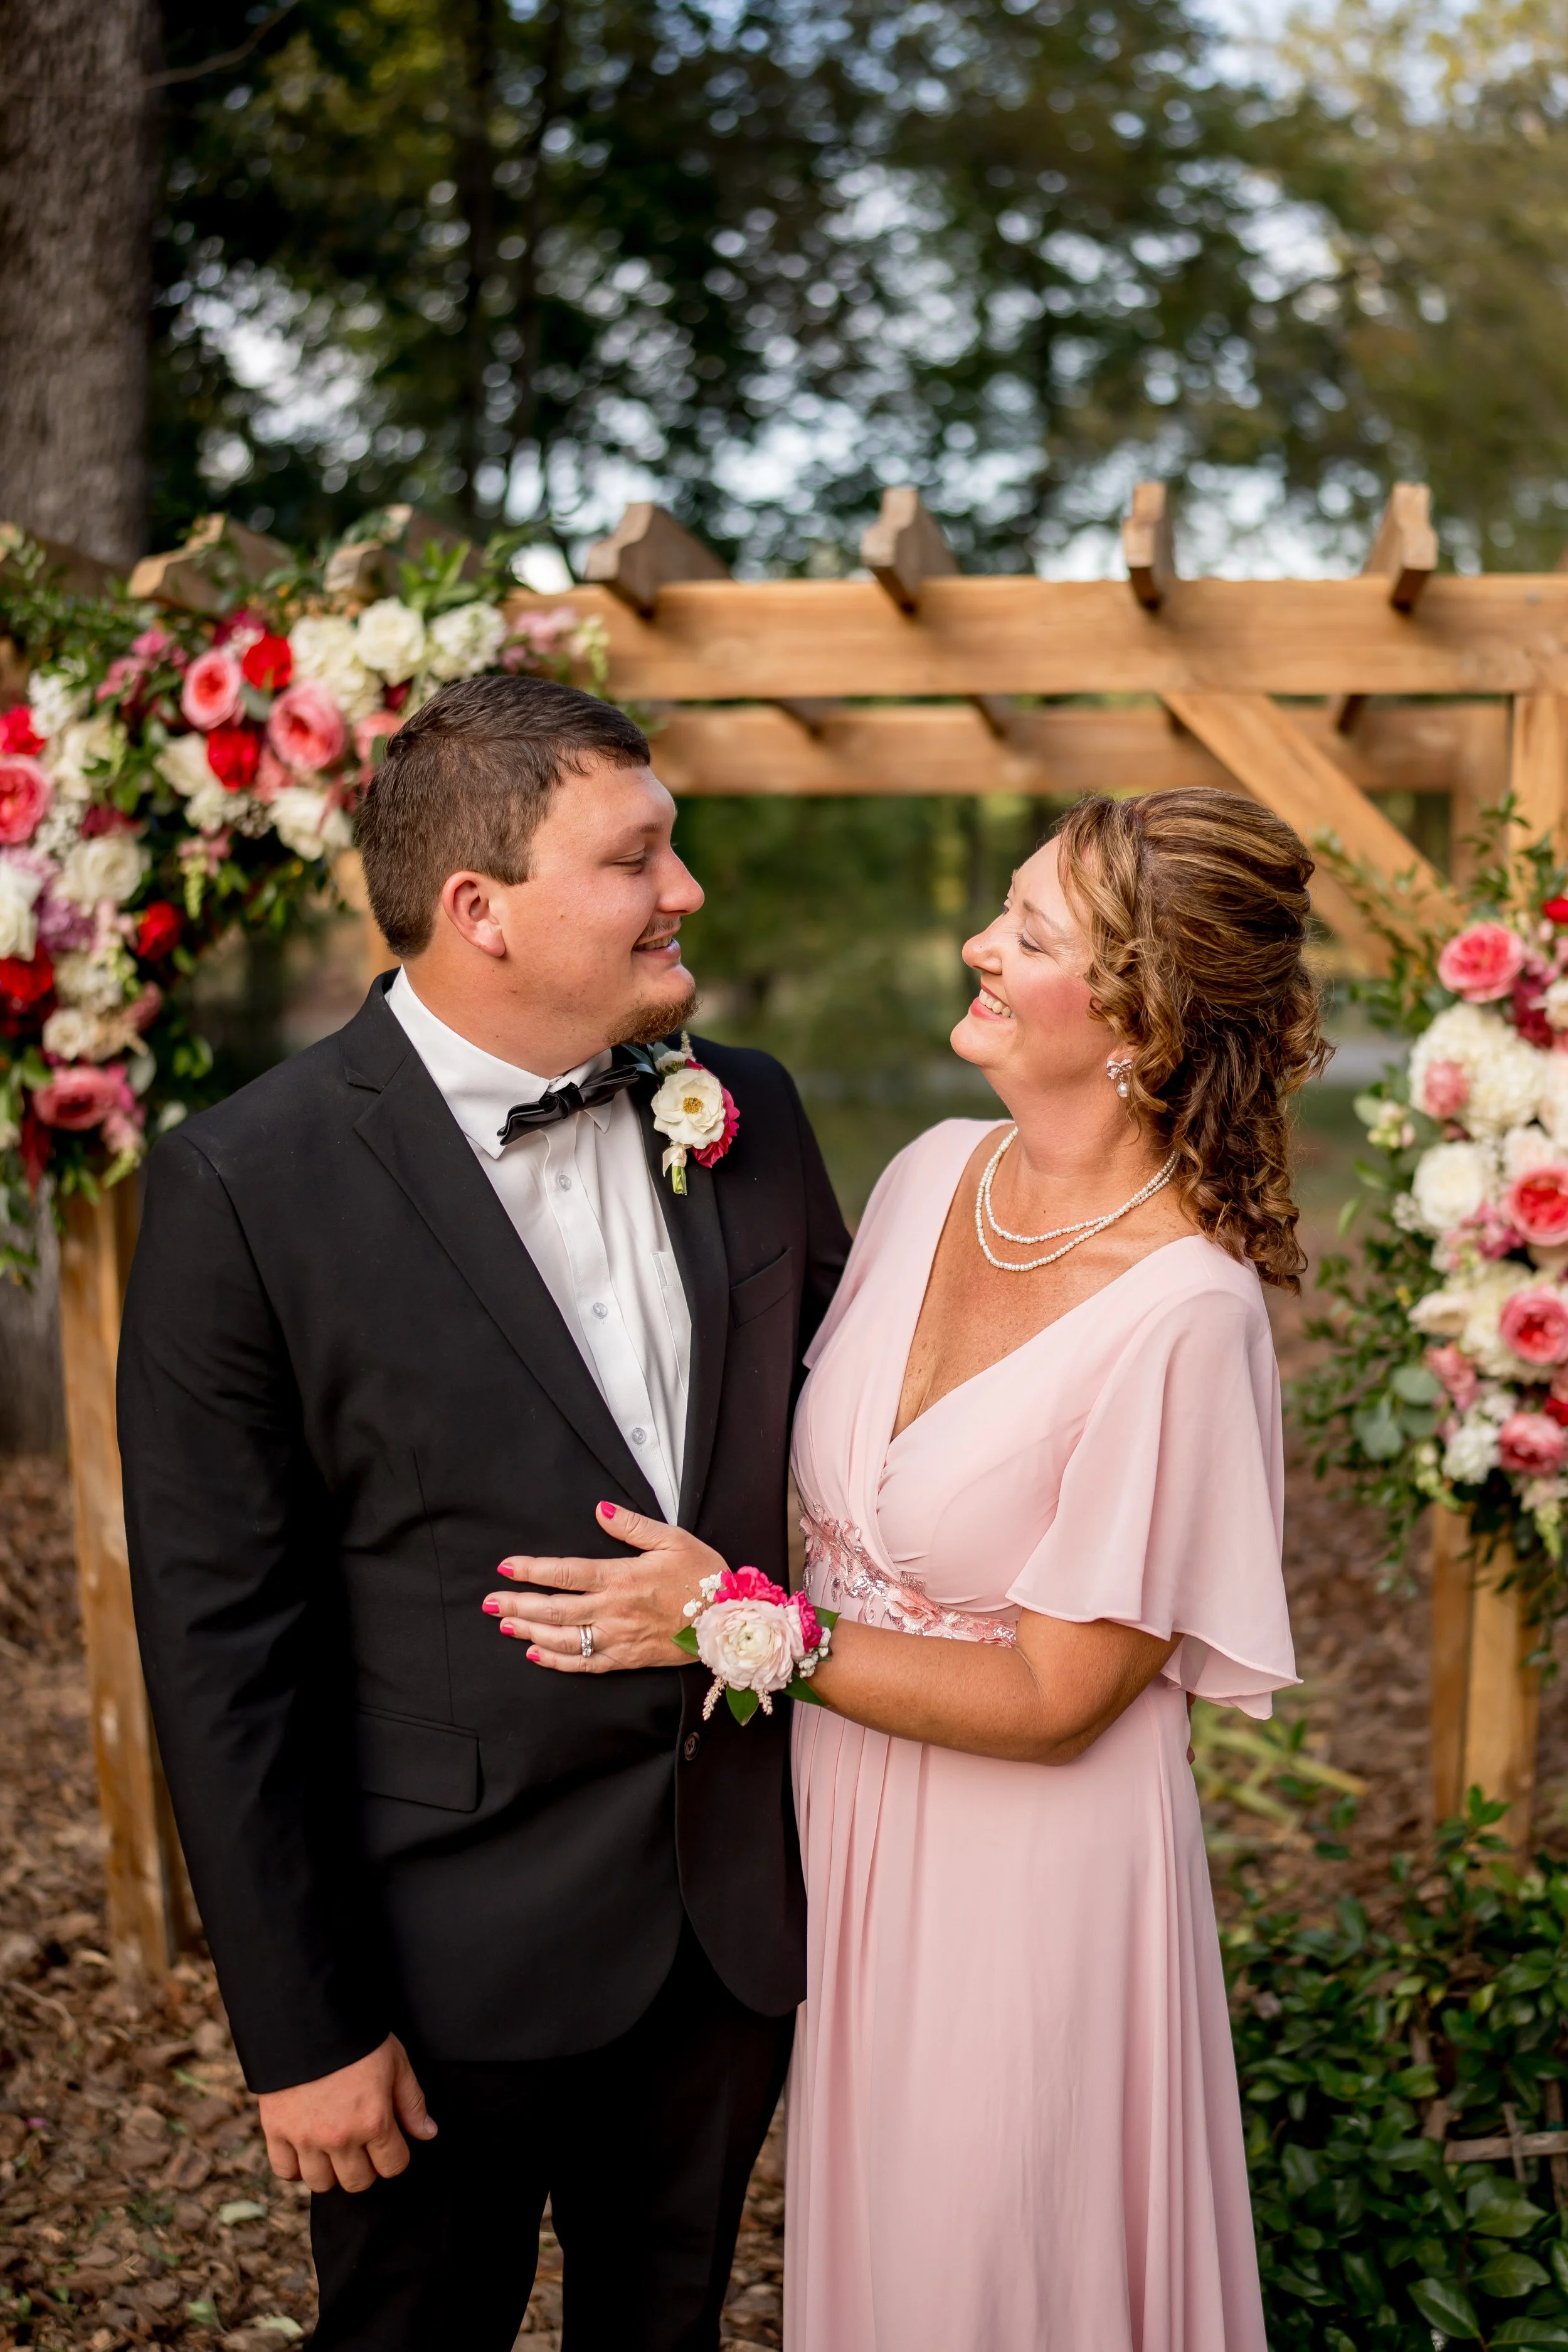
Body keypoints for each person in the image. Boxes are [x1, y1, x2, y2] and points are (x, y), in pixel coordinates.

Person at [495, 787, 1316, 2350]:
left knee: (989, 2262)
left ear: (1137, 1009)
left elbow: (1058, 1696)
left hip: (1027, 1870)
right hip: (847, 1836)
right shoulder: (932, 1171)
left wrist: (730, 1628)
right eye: (997, 910)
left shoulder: (1187, 1315)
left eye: (1026, 932)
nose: (975, 945)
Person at [117, 672, 850, 2352]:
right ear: (479, 909)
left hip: (723, 1927)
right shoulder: (245, 1182)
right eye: (636, 855)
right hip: (436, 1957)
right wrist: (301, 2027)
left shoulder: (747, 1115)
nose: (685, 888)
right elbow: (221, 1643)